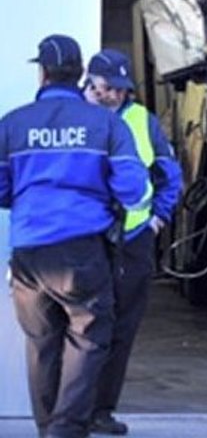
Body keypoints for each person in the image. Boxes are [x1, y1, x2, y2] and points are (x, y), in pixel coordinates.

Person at [0, 35, 148, 438]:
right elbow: (135, 190)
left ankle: (49, 426)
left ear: (42, 73)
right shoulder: (105, 123)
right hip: (82, 251)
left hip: (29, 252)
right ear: (81, 74)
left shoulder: (13, 123)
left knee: (42, 342)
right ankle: (64, 431)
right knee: (87, 337)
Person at [82, 48, 184, 436]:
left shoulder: (142, 120)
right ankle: (73, 408)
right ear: (90, 84)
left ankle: (102, 409)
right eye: (108, 89)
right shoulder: (80, 119)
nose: (115, 96)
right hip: (88, 239)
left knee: (122, 329)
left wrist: (159, 216)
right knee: (86, 326)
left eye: (121, 90)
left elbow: (168, 171)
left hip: (132, 240)